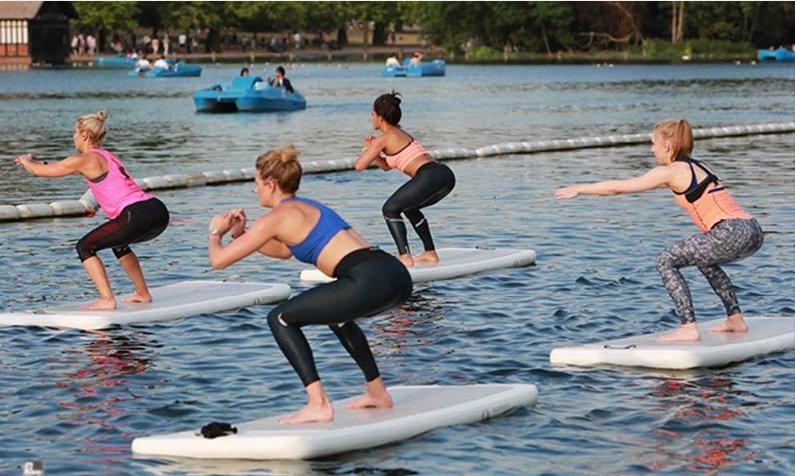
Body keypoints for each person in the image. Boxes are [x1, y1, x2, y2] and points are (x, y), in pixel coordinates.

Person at [208, 145, 412, 424]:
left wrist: (215, 232)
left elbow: (218, 261)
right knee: (338, 317)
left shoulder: (276, 217)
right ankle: (377, 393)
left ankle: (318, 403)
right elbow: (283, 251)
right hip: (393, 273)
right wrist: (241, 234)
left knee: (279, 318)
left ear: (270, 184)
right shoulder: (308, 205)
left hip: (367, 278)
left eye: (256, 184)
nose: (255, 190)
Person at [555, 119, 763, 342]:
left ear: (666, 144)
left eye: (653, 143)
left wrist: (579, 188)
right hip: (752, 229)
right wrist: (601, 191)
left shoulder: (671, 171)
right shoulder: (698, 166)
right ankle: (735, 319)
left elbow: (620, 186)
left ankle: (688, 327)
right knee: (704, 259)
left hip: (731, 231)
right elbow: (627, 187)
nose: (651, 148)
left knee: (666, 260)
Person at [14, 110, 169, 311]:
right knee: (119, 243)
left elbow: (42, 172)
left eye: (75, 133)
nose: (73, 137)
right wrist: (35, 162)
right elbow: (57, 165)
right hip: (157, 210)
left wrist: (26, 161)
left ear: (84, 135)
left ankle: (107, 299)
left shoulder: (85, 159)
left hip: (136, 214)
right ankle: (142, 293)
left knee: (84, 247)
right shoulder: (107, 156)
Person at [355, 92, 456, 267]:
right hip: (445, 175)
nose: (371, 118)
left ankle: (404, 256)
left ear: (380, 117)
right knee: (410, 208)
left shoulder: (384, 138)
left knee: (390, 209)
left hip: (429, 175)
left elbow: (359, 166)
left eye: (372, 114)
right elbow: (387, 166)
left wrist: (370, 149)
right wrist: (376, 152)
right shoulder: (399, 133)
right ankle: (430, 253)